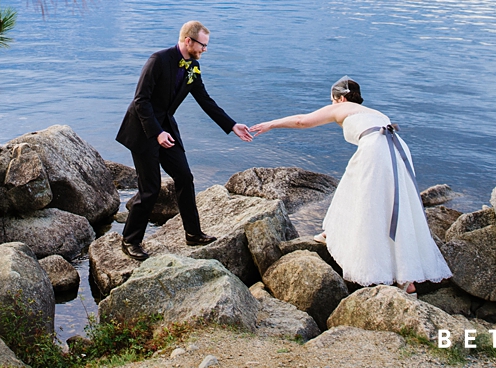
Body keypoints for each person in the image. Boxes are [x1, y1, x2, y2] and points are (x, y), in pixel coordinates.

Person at [250, 77, 451, 290]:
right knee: (392, 204)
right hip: (398, 149)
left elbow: (303, 120)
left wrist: (271, 124)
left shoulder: (342, 107)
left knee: (359, 193)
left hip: (376, 149)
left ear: (341, 97)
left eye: (332, 99)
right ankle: (406, 280)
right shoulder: (375, 112)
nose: (332, 103)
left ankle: (338, 237)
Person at [116, 21, 254, 261]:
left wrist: (232, 125)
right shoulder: (157, 60)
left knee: (184, 177)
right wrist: (157, 132)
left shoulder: (193, 67)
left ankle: (193, 233)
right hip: (143, 129)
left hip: (166, 128)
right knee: (150, 188)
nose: (205, 50)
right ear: (189, 41)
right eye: (203, 45)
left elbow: (205, 100)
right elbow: (141, 101)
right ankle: (130, 240)